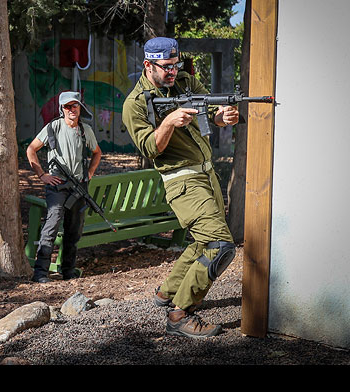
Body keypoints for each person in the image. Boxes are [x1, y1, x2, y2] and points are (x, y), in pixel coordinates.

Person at [122, 37, 239, 338]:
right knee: (220, 246)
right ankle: (179, 314)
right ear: (148, 65)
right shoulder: (134, 105)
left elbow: (207, 111)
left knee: (202, 241)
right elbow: (151, 148)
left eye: (175, 65)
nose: (172, 72)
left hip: (207, 174)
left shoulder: (184, 82)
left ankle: (166, 293)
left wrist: (222, 117)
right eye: (166, 67)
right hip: (182, 180)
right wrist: (169, 122)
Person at [26, 91, 102, 283]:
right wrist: (42, 175)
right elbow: (31, 149)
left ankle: (68, 271)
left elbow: (97, 153)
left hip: (79, 187)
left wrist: (90, 172)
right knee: (51, 226)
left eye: (74, 106)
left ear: (79, 107)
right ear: (62, 109)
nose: (71, 110)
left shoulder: (85, 130)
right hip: (57, 185)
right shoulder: (53, 127)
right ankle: (40, 272)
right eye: (67, 106)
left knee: (74, 229)